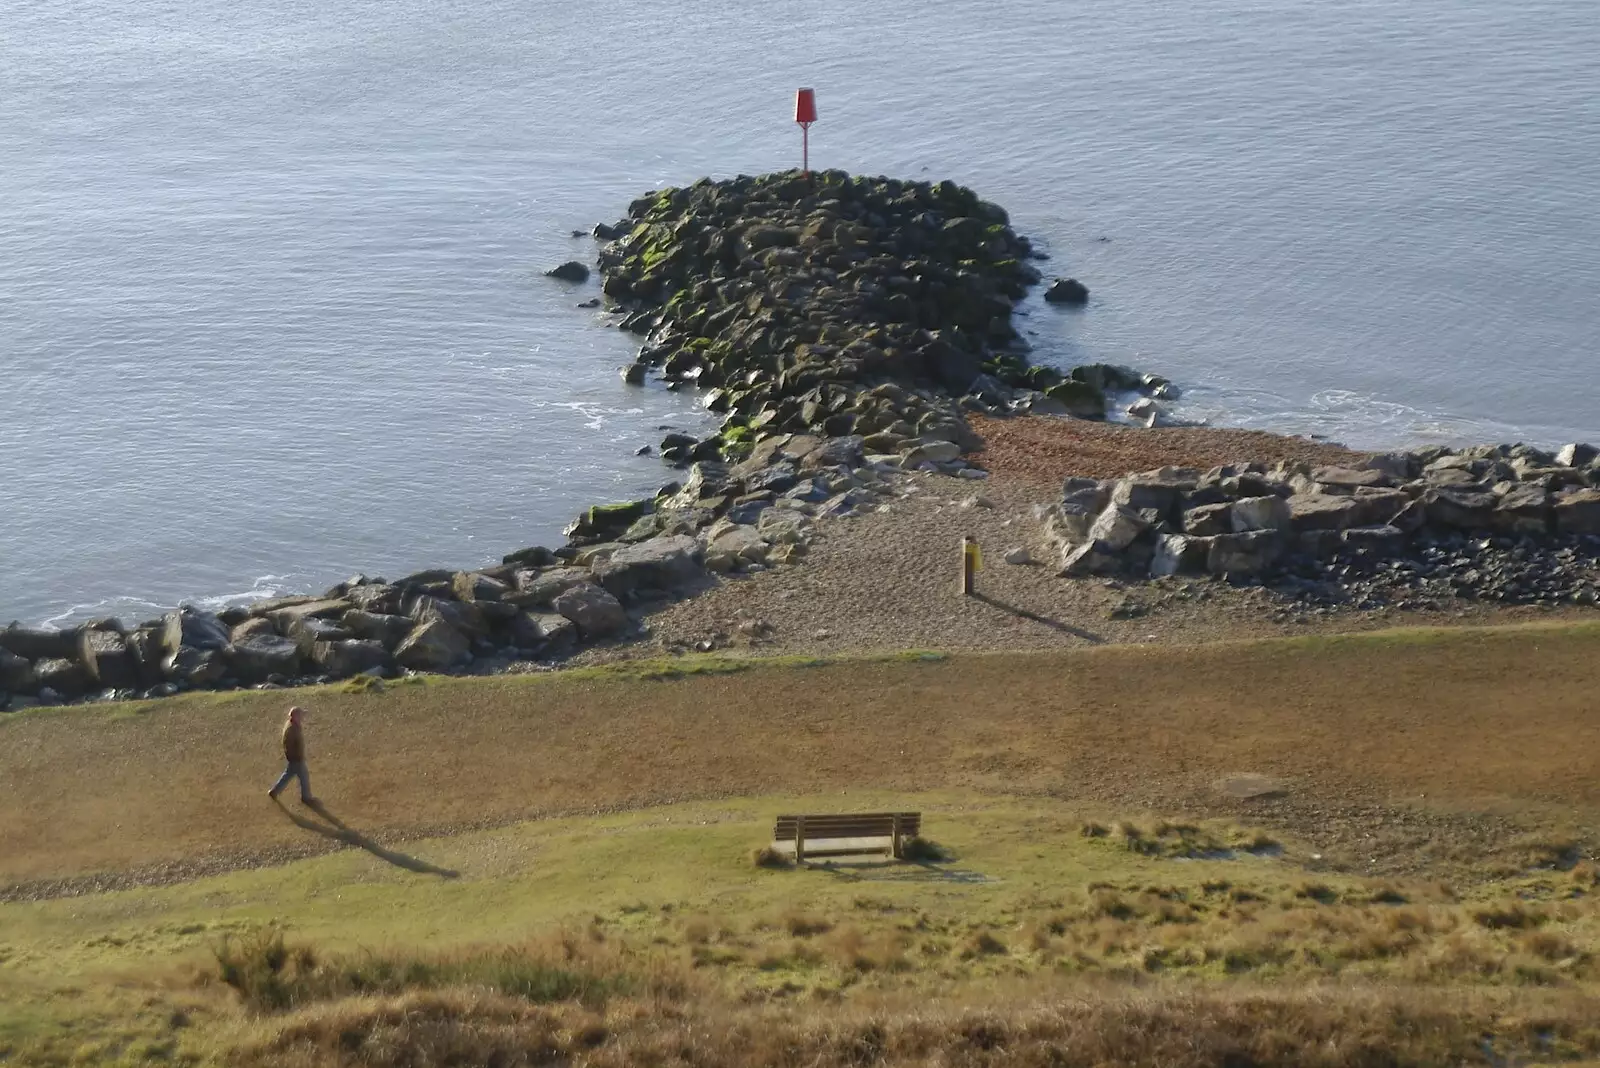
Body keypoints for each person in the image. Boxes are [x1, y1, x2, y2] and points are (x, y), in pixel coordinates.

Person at [267, 706, 317, 804]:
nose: (303, 717)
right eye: (301, 715)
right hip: (296, 758)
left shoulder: (294, 725)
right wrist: (296, 757)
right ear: (295, 716)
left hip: (294, 758)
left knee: (288, 775)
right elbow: (288, 745)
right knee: (304, 776)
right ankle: (306, 797)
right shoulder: (291, 729)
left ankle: (274, 791)